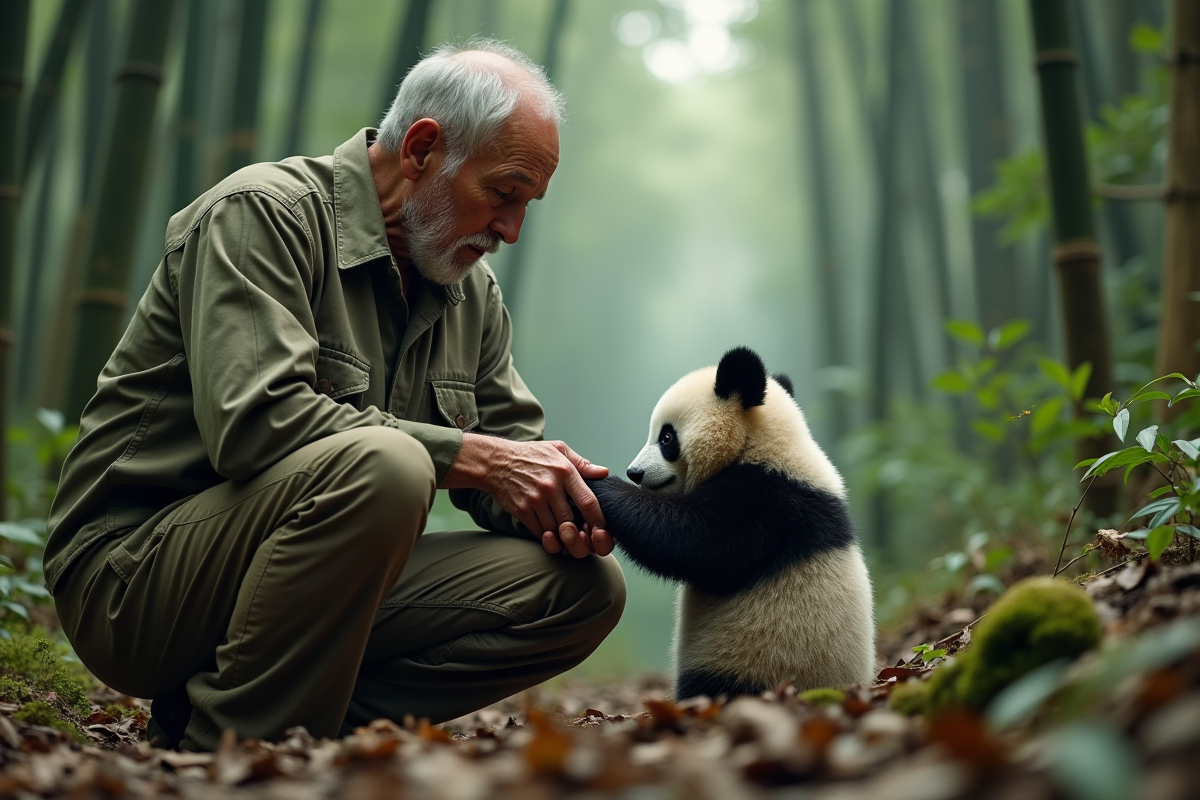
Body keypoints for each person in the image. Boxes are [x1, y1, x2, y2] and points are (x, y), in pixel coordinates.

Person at [44, 39, 626, 751]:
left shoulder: (468, 290)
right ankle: (231, 750)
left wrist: (601, 504)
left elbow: (511, 461)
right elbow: (255, 425)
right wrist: (480, 459)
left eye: (527, 204)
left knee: (584, 589)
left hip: (308, 587)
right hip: (135, 582)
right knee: (389, 466)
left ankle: (286, 726)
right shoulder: (261, 215)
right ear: (421, 149)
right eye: (503, 194)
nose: (510, 230)